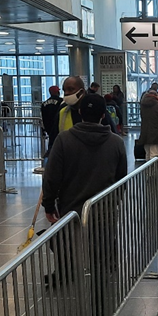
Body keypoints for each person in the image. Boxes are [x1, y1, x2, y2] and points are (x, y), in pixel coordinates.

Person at [43, 93, 127, 223]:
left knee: (72, 237)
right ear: (103, 115)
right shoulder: (116, 143)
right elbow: (121, 179)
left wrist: (49, 205)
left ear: (80, 112)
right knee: (104, 237)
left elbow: (52, 176)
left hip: (71, 213)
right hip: (105, 212)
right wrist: (115, 201)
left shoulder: (64, 140)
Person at [41, 85, 62, 150]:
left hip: (49, 128)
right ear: (57, 92)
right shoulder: (61, 102)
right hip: (59, 127)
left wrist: (45, 129)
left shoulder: (44, 104)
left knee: (51, 144)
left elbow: (43, 117)